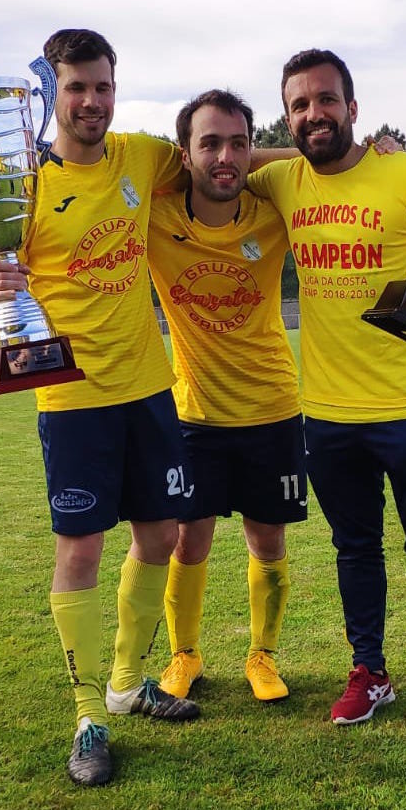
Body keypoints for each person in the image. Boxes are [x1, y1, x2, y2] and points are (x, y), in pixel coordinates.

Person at [0, 29, 200, 787]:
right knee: (81, 550)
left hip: (149, 388)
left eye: (102, 86)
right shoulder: (19, 191)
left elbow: (216, 157)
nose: (92, 101)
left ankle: (127, 684)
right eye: (77, 88)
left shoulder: (140, 155)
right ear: (53, 96)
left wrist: (320, 161)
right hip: (72, 399)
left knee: (160, 534)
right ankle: (86, 714)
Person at [248, 49, 406, 738]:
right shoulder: (285, 180)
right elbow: (221, 153)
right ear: (287, 117)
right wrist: (276, 137)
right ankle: (371, 671)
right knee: (355, 550)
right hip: (325, 412)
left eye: (327, 100)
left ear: (355, 107)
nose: (315, 114)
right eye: (300, 104)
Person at [145, 90, 306, 702]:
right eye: (209, 143)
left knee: (268, 541)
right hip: (194, 413)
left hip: (271, 406)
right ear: (182, 155)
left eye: (239, 143)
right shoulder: (156, 216)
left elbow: (310, 165)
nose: (226, 156)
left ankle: (262, 657)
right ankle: (184, 655)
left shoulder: (273, 212)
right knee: (190, 540)